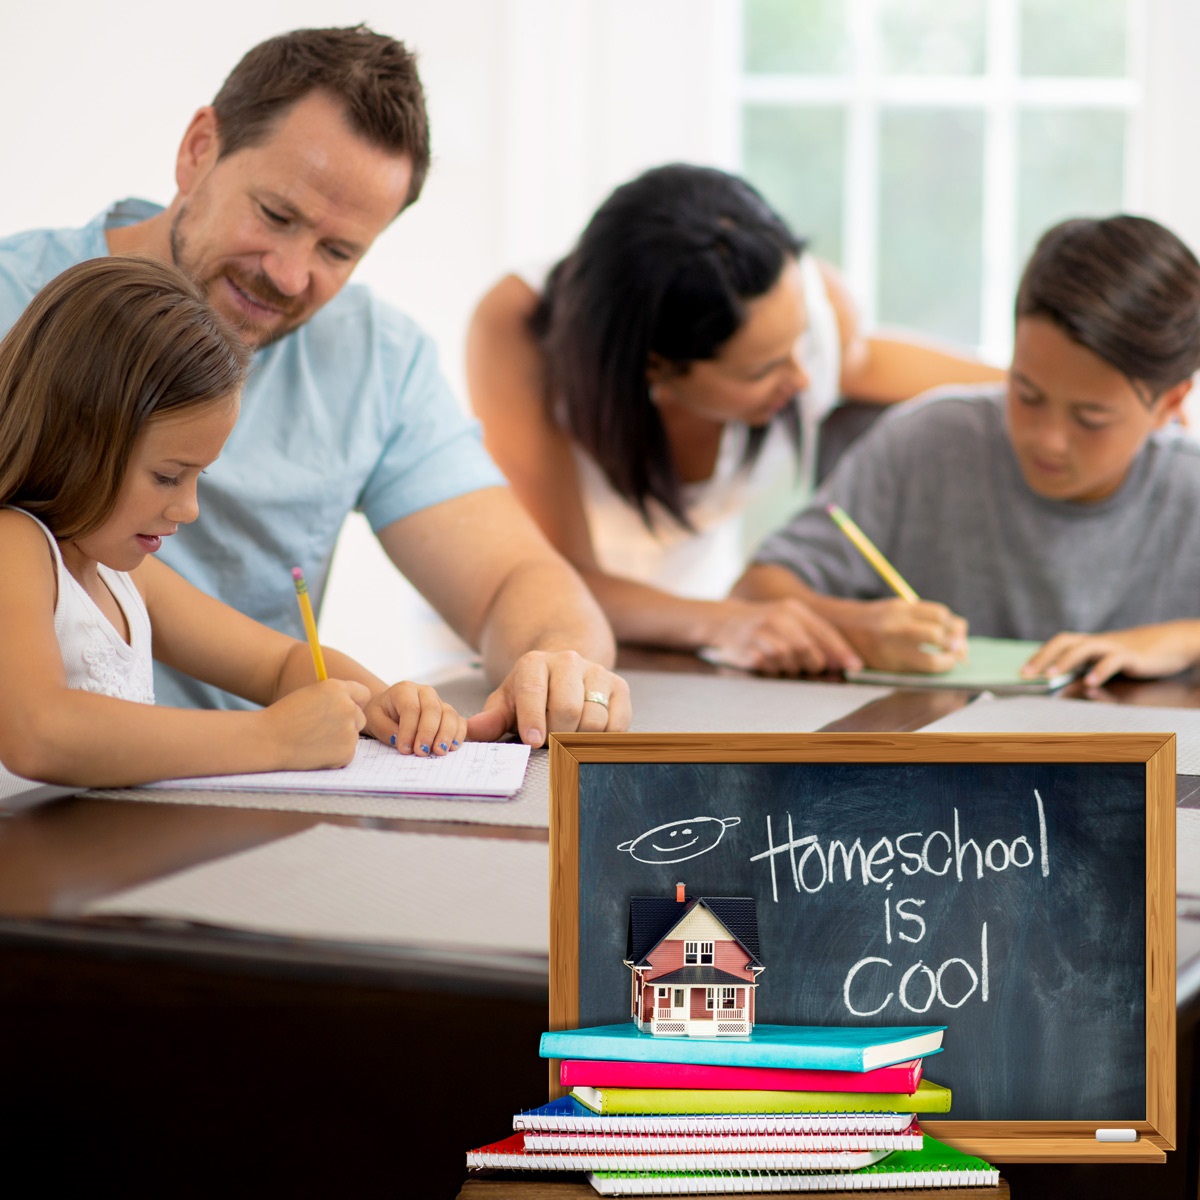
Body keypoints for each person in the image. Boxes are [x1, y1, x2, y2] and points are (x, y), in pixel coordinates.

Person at [0, 25, 629, 746]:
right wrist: (272, 739)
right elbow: (40, 730)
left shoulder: (377, 359)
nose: (291, 275)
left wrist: (550, 665)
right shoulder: (19, 319)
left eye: (338, 250)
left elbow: (509, 577)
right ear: (199, 149)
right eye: (276, 214)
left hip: (247, 814)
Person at [467, 163, 1004, 675]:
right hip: (531, 651)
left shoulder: (803, 306)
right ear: (657, 365)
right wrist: (734, 623)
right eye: (764, 369)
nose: (805, 379)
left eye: (799, 343)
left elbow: (888, 366)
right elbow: (560, 579)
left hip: (687, 649)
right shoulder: (517, 329)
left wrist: (1057, 391)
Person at [0, 256, 475, 789]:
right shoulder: (14, 546)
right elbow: (37, 732)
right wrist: (274, 738)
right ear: (75, 440)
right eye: (167, 476)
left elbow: (279, 665)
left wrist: (379, 700)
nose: (188, 508)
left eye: (199, 476)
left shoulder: (120, 575)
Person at [735, 214, 1200, 689]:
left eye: (1090, 418)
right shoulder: (925, 444)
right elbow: (751, 593)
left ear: (1170, 402)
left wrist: (1183, 639)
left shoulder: (1190, 489)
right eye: (1027, 393)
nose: (1047, 438)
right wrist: (850, 624)